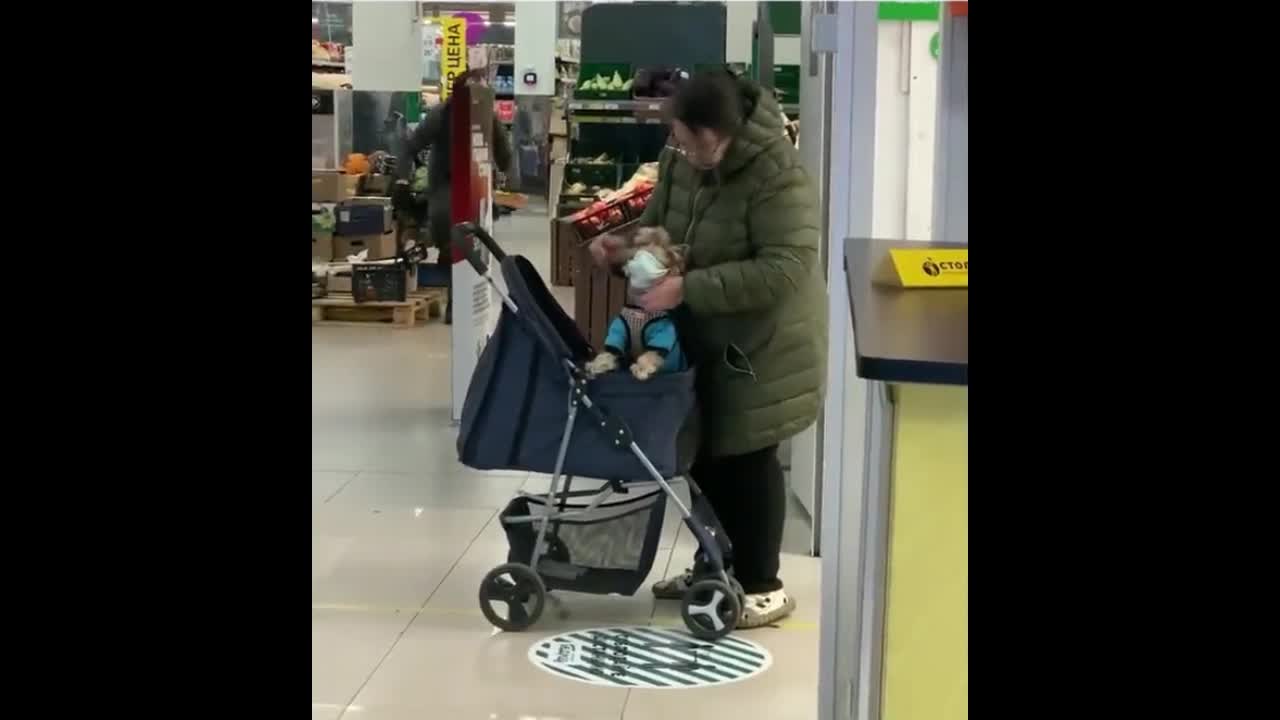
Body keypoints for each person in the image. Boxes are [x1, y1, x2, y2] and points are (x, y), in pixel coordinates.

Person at [588, 71, 827, 628]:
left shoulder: (777, 173)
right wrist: (622, 248)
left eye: (698, 143)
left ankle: (762, 583)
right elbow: (660, 231)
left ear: (726, 131)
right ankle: (714, 565)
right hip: (700, 338)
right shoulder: (680, 160)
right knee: (701, 453)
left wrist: (686, 287)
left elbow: (787, 266)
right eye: (680, 140)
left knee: (746, 456)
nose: (688, 153)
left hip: (762, 343)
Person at [401, 69, 512, 324]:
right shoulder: (452, 114)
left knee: (463, 247)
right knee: (460, 244)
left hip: (462, 190)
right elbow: (414, 144)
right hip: (457, 190)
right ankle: (458, 300)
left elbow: (504, 153)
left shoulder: (467, 114)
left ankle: (460, 299)